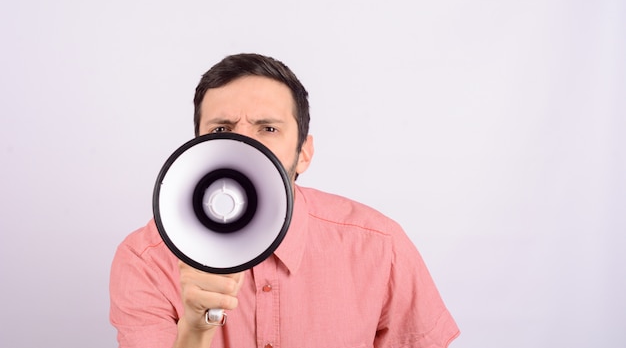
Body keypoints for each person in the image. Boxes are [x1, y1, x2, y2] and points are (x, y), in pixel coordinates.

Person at [109, 53, 460, 348]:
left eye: (268, 128)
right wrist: (195, 331)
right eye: (220, 130)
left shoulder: (380, 247)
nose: (243, 147)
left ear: (304, 153)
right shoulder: (146, 260)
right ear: (198, 146)